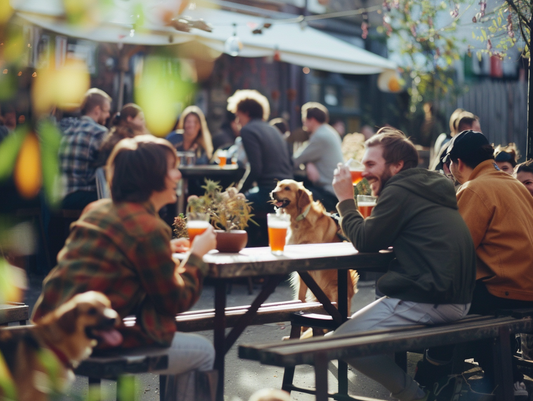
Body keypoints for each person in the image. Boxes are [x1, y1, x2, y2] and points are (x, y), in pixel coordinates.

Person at [32, 135, 217, 401]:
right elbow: (174, 300)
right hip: (89, 340)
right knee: (204, 353)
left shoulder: (97, 209)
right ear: (151, 178)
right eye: (172, 168)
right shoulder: (148, 229)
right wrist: (197, 255)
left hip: (48, 331)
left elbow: (120, 254)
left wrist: (165, 247)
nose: (178, 175)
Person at [331, 127, 476, 401]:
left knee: (339, 343)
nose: (365, 172)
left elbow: (364, 240)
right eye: (363, 165)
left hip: (430, 295)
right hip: (455, 297)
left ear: (397, 165)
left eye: (371, 164)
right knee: (350, 337)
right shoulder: (425, 186)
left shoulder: (399, 190)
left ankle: (411, 395)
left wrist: (345, 200)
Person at [443, 130, 533, 398]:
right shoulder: (515, 185)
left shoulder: (474, 188)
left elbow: (456, 249)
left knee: (445, 302)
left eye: (450, 166)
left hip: (503, 289)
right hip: (526, 285)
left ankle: (437, 375)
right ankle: (510, 380)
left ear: (458, 163)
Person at [226, 90, 293, 246]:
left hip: (269, 193)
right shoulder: (272, 129)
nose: (237, 120)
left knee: (230, 206)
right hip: (287, 192)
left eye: (238, 115)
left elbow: (256, 169)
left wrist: (239, 192)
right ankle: (261, 242)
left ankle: (240, 249)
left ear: (247, 112)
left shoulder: (248, 130)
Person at [58, 88, 112, 210]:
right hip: (81, 197)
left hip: (60, 197)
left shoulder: (68, 130)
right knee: (117, 201)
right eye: (106, 111)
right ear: (97, 110)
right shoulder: (99, 132)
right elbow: (109, 167)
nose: (108, 115)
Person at [293, 102, 344, 212]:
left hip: (328, 193)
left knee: (291, 193)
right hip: (335, 191)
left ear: (312, 119)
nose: (303, 122)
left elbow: (296, 160)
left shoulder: (320, 136)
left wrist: (306, 162)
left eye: (304, 118)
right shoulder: (329, 131)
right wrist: (308, 163)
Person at [95, 103, 147, 168]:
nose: (144, 122)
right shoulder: (128, 142)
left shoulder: (112, 137)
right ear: (129, 119)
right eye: (141, 119)